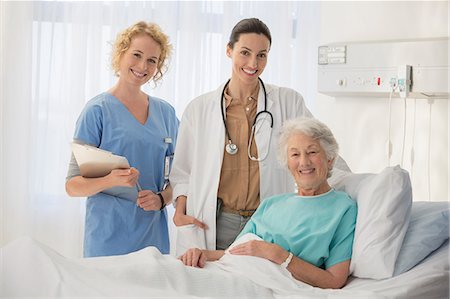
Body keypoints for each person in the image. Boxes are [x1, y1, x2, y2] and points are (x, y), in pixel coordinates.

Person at [169, 18, 315, 254]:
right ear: (229, 50)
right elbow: (183, 172)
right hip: (215, 223)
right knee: (212, 288)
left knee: (260, 288)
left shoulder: (289, 102)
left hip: (267, 222)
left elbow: (318, 148)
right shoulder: (199, 109)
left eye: (261, 55)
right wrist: (180, 212)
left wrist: (350, 188)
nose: (253, 63)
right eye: (245, 52)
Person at [180, 117, 357, 289]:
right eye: (295, 154)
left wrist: (278, 255)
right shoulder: (271, 204)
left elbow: (334, 280)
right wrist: (202, 254)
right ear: (288, 163)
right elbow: (237, 251)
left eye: (312, 152)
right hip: (230, 272)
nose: (304, 162)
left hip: (261, 286)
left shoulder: (342, 209)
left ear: (330, 158)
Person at [65, 21, 179, 257]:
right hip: (108, 240)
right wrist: (111, 180)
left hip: (153, 239)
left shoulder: (166, 113)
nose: (142, 65)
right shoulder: (97, 111)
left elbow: (182, 177)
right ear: (121, 55)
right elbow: (72, 186)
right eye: (136, 55)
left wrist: (162, 198)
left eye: (152, 60)